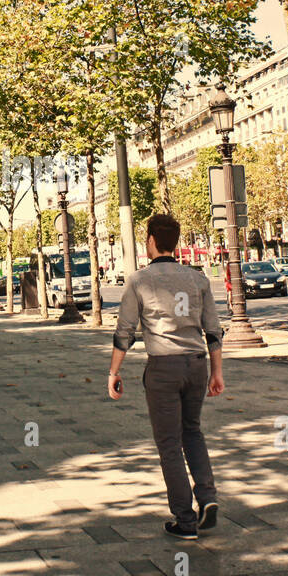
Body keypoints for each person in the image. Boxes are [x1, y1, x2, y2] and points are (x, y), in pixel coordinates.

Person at [107, 213, 224, 540]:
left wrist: (114, 372)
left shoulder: (139, 280)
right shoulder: (198, 279)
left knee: (170, 443)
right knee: (193, 432)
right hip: (197, 365)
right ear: (176, 241)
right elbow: (213, 331)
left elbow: (125, 332)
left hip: (163, 369)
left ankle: (185, 520)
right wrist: (217, 372)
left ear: (151, 242)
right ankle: (208, 497)